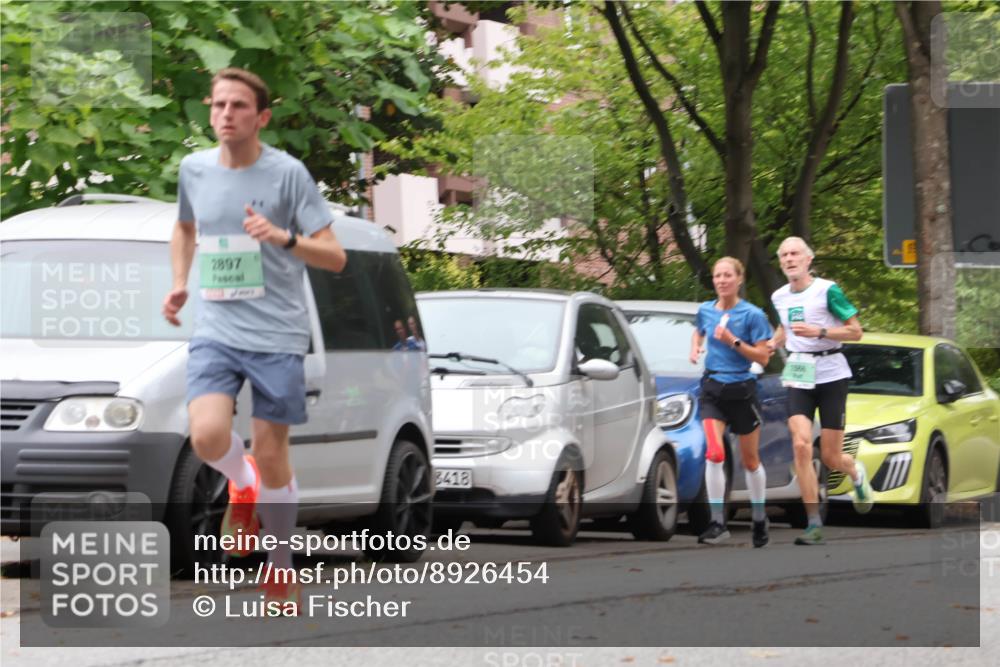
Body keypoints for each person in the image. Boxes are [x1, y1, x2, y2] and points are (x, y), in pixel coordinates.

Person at [162, 68, 347, 606]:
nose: (225, 115)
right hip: (217, 327)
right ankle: (238, 481)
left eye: (238, 106)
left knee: (273, 454)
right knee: (207, 437)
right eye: (218, 105)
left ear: (261, 117)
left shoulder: (288, 175)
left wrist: (283, 238)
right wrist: (178, 283)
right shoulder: (193, 170)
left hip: (277, 334)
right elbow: (185, 228)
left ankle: (281, 563)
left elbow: (334, 255)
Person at [768, 236, 872, 546]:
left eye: (795, 253)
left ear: (808, 259)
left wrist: (821, 331)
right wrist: (774, 341)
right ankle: (813, 522)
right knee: (800, 445)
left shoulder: (828, 291)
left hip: (831, 373)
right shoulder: (779, 296)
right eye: (784, 254)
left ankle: (854, 472)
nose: (789, 259)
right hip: (799, 372)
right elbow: (785, 327)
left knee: (830, 456)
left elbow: (856, 331)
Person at [690, 257, 774, 548]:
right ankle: (717, 523)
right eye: (717, 276)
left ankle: (760, 517)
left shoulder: (753, 315)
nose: (722, 280)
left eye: (728, 275)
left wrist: (733, 341)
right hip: (713, 388)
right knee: (714, 453)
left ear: (739, 279)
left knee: (750, 461)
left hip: (742, 390)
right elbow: (699, 329)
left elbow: (763, 356)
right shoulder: (705, 310)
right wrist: (695, 348)